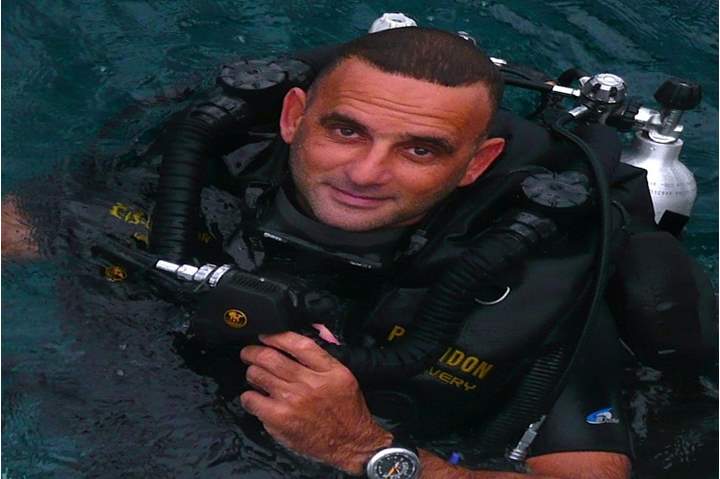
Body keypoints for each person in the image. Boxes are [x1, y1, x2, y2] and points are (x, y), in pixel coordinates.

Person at [4, 26, 669, 478]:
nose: (366, 172)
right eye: (346, 131)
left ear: (476, 163)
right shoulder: (195, 178)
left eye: (420, 149)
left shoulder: (530, 267)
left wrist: (365, 450)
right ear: (294, 118)